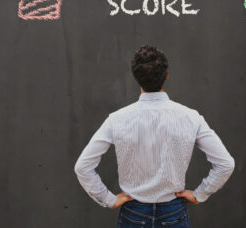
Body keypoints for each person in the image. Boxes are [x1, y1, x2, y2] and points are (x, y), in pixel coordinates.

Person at [74, 45, 235, 227]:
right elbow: (225, 164)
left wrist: (107, 199)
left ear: (136, 78)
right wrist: (200, 194)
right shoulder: (191, 117)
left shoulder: (117, 119)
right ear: (166, 76)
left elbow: (83, 167)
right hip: (174, 212)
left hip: (133, 213)